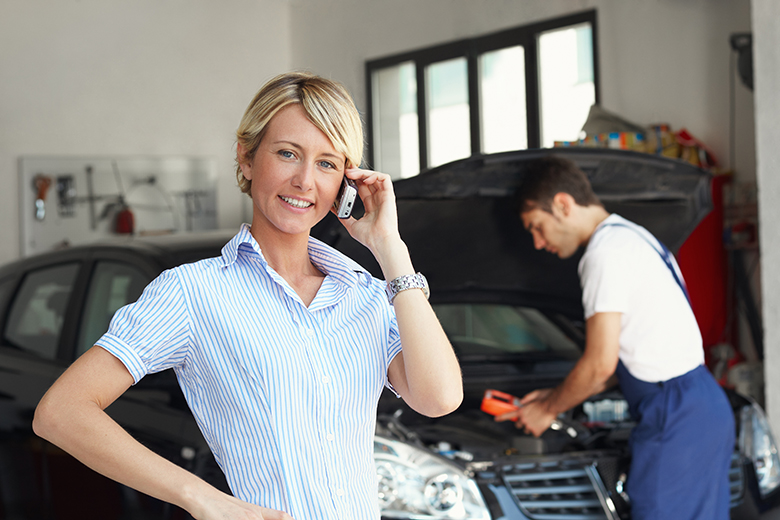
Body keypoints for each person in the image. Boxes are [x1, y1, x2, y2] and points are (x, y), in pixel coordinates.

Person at [32, 72, 463, 520]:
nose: (304, 181)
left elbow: (439, 399)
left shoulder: (367, 295)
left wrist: (390, 249)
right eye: (287, 154)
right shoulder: (192, 292)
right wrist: (201, 498)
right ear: (246, 158)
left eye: (327, 163)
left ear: (346, 184)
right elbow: (60, 412)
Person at [500, 155, 734, 520]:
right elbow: (625, 359)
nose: (537, 242)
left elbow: (599, 364)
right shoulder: (632, 236)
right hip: (702, 404)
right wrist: (553, 394)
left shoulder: (603, 255)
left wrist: (547, 410)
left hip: (674, 414)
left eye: (537, 227)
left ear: (563, 204)